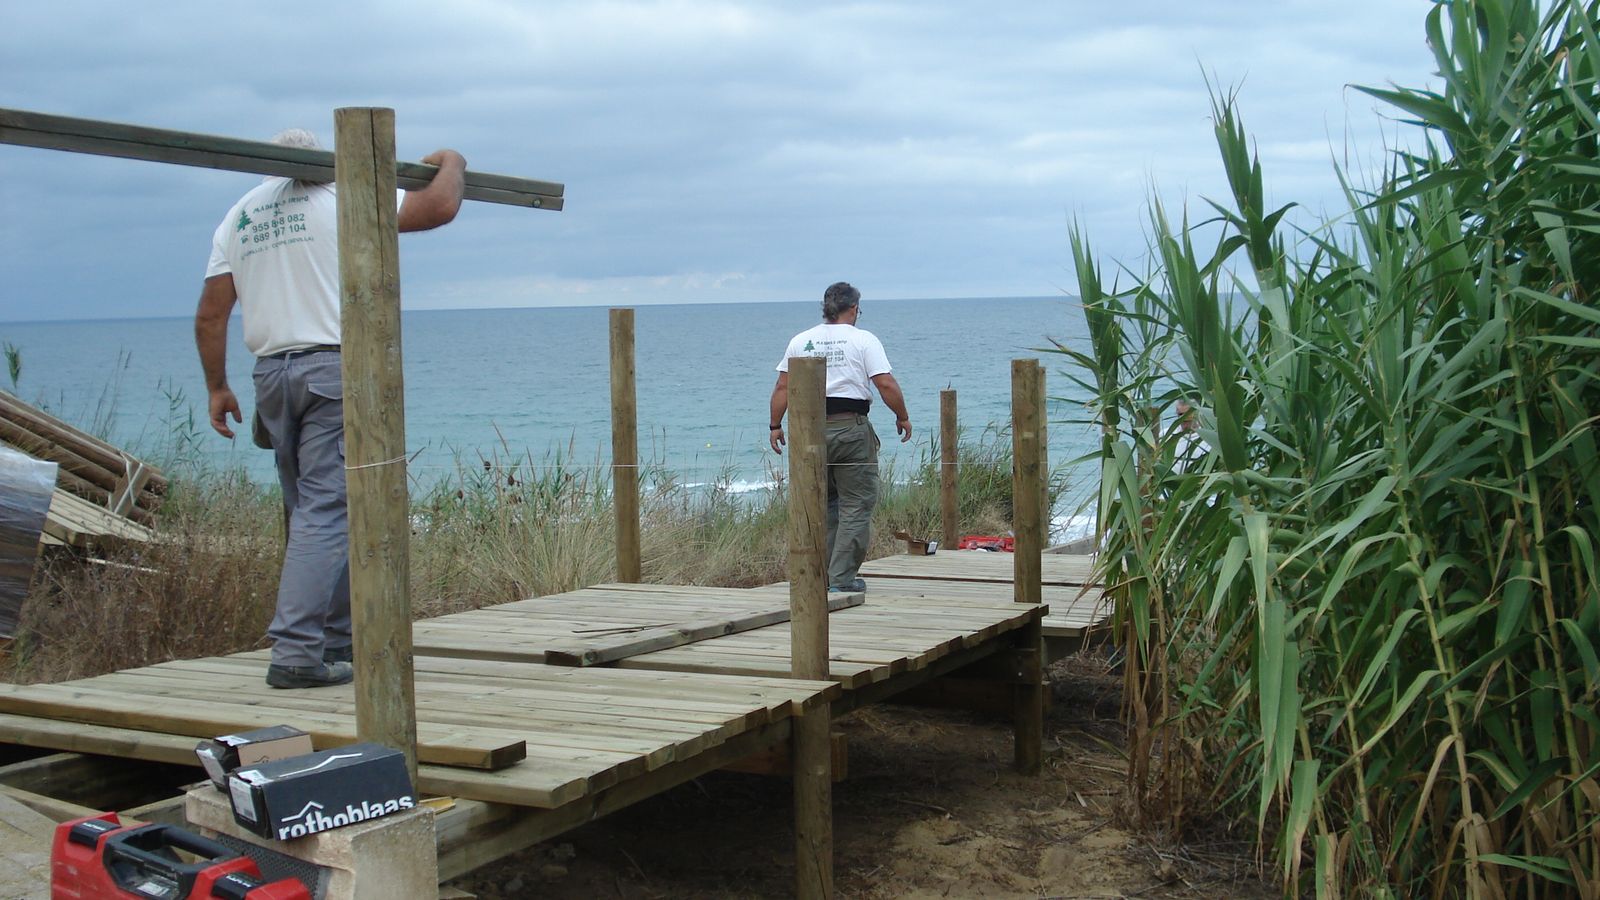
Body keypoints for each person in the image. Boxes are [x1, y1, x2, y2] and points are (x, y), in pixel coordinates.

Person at [194, 129, 466, 688]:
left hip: (271, 373)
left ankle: (337, 641)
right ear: (323, 159)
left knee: (311, 510)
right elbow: (438, 206)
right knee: (327, 511)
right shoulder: (344, 194)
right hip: (331, 368)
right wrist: (452, 158)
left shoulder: (240, 216)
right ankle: (296, 653)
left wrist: (217, 387)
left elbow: (211, 314)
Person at [768, 282, 911, 593]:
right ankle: (842, 579)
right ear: (855, 308)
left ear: (826, 308)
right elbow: (885, 384)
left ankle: (821, 577)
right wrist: (902, 415)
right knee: (856, 504)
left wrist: (775, 425)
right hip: (849, 428)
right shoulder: (863, 340)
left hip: (808, 430)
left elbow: (783, 387)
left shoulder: (801, 340)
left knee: (823, 503)